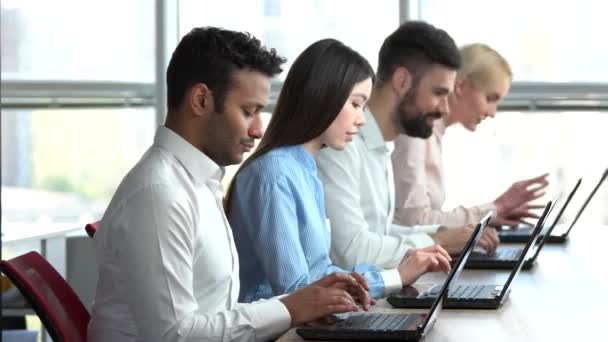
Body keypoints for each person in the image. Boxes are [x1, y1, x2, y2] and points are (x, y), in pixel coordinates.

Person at [88, 27, 374, 342]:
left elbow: (216, 313)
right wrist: (291, 309)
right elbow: (175, 336)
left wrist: (301, 305)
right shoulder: (160, 194)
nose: (257, 129)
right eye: (248, 111)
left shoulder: (198, 183)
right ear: (200, 100)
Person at [225, 38, 451, 303]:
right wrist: (394, 278)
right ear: (324, 97)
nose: (362, 119)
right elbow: (297, 290)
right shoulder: (275, 174)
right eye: (356, 104)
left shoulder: (306, 171)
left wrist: (398, 273)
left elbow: (321, 273)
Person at [316, 21, 500, 269]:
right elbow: (351, 250)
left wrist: (446, 232)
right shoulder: (342, 146)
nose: (445, 108)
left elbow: (379, 232)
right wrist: (437, 241)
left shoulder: (380, 145)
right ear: (402, 81)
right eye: (438, 93)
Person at [392, 43, 549, 228]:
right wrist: (495, 208)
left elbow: (428, 222)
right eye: (490, 98)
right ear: (461, 86)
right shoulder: (416, 135)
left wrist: (490, 219)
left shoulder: (434, 135)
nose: (492, 112)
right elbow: (414, 222)